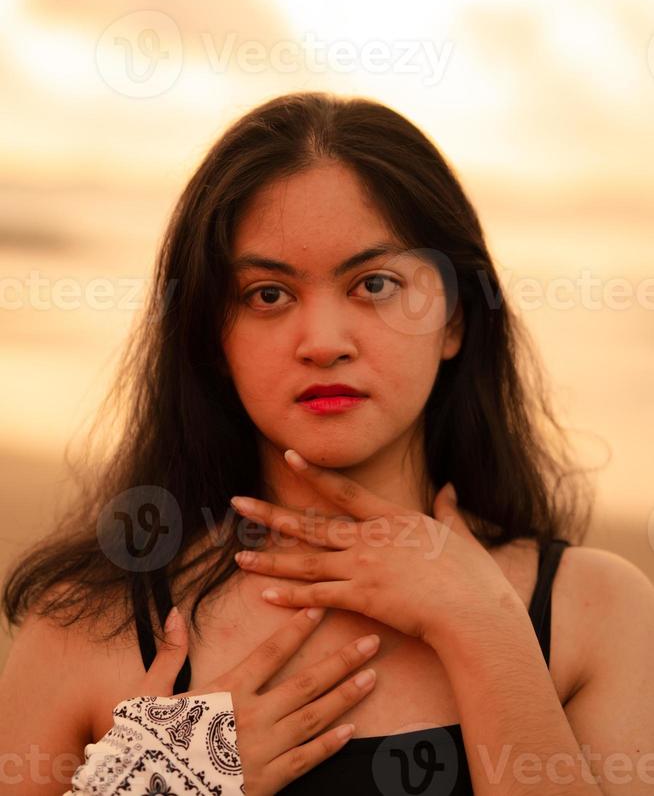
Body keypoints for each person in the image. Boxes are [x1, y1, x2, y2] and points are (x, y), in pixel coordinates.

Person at [1, 91, 652, 796]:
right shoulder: (84, 627)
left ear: (455, 319)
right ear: (212, 337)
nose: (323, 343)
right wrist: (162, 783)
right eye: (269, 295)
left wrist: (485, 627)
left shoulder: (597, 613)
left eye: (374, 283)